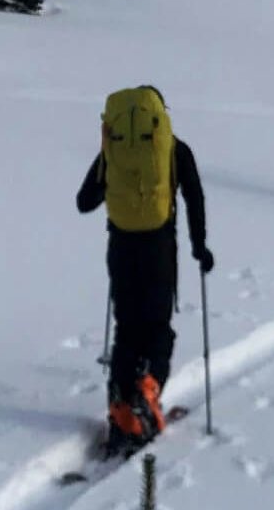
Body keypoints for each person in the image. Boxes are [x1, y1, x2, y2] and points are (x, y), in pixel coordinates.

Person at [76, 86, 213, 454]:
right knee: (157, 329)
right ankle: (148, 393)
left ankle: (121, 409)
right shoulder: (174, 149)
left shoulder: (115, 148)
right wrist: (200, 247)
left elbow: (84, 201)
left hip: (121, 248)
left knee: (127, 330)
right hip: (158, 249)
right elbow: (194, 197)